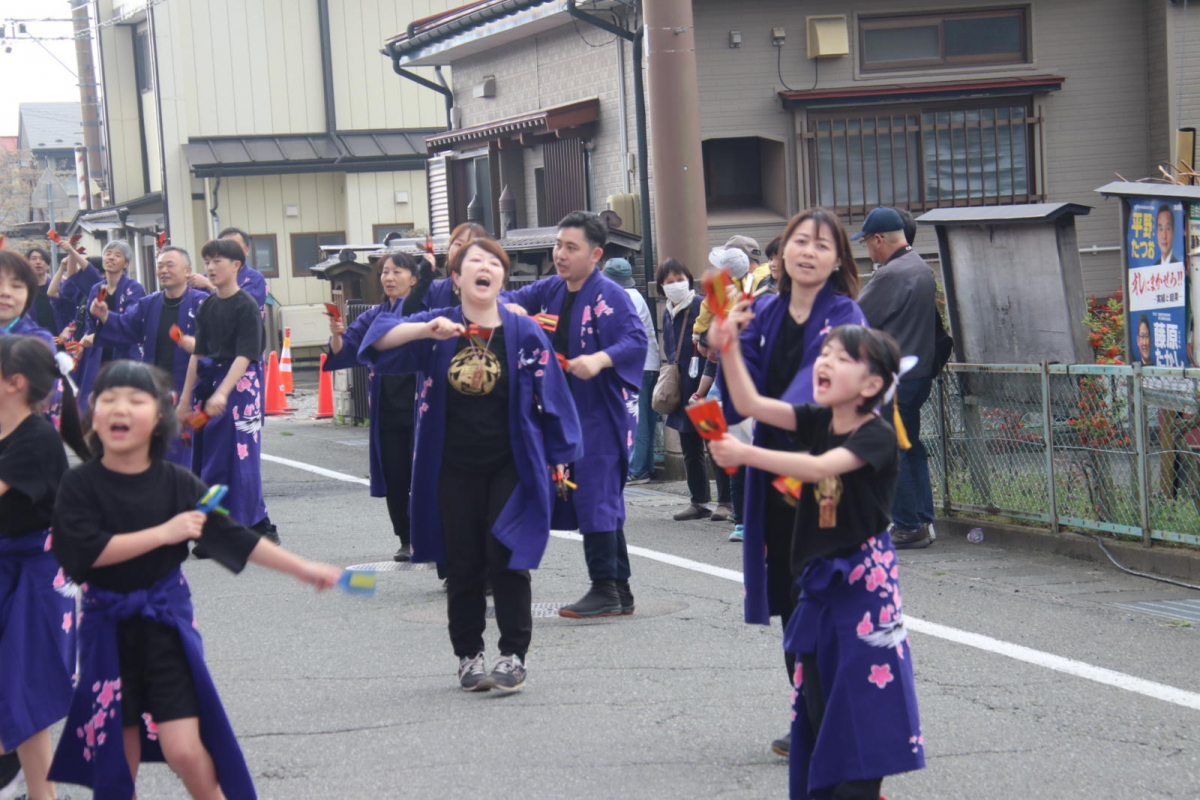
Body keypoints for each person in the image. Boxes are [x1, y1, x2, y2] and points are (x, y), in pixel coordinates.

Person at [48, 359, 341, 800]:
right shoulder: (79, 485)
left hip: (166, 627)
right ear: (92, 411)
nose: (120, 409)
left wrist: (303, 568)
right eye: (108, 399)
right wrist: (164, 534)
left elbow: (233, 536)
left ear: (162, 415)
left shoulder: (178, 483)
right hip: (105, 631)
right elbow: (84, 553)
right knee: (115, 758)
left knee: (184, 750)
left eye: (135, 399)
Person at [709, 321, 924, 800]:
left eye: (841, 357)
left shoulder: (876, 435)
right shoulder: (818, 420)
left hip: (863, 588)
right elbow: (750, 405)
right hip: (817, 584)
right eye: (823, 352)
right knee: (819, 700)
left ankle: (863, 787)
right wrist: (728, 351)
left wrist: (747, 453)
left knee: (865, 698)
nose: (824, 361)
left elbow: (821, 468)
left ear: (871, 385)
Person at [359, 238, 582, 692]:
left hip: (511, 463)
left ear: (502, 278)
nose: (484, 268)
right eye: (472, 263)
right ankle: (468, 656)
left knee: (507, 555)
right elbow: (377, 341)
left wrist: (561, 459)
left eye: (493, 264)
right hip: (450, 464)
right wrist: (425, 330)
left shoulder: (523, 331)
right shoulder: (437, 327)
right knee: (462, 562)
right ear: (456, 279)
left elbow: (553, 397)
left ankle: (513, 654)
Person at [717, 207, 867, 758]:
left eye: (823, 245)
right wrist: (727, 345)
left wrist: (755, 415)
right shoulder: (763, 313)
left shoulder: (846, 315)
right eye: (799, 241)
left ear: (838, 260)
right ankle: (807, 709)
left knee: (822, 592)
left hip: (826, 479)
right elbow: (740, 396)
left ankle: (833, 717)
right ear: (780, 255)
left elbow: (815, 394)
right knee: (788, 594)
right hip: (771, 473)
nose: (809, 252)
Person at [507, 211, 648, 618]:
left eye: (571, 247)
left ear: (596, 254)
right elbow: (510, 300)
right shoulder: (553, 288)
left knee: (595, 495)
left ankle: (604, 587)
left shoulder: (609, 294)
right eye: (558, 245)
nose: (561, 254)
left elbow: (635, 339)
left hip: (600, 410)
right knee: (593, 495)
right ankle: (618, 590)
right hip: (568, 410)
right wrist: (507, 309)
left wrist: (600, 359)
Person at [0, 335, 89, 800]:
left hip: (36, 574)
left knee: (22, 688)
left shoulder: (35, 437)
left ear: (14, 383)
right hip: (8, 567)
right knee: (17, 695)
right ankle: (42, 795)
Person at [325, 251, 422, 562]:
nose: (389, 278)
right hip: (387, 407)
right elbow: (344, 351)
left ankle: (430, 536)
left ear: (415, 278)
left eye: (397, 272)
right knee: (395, 473)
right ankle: (405, 538)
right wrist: (336, 335)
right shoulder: (374, 316)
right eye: (385, 273)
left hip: (423, 406)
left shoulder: (427, 313)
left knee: (425, 473)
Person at [176, 239, 274, 540]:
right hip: (212, 384)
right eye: (208, 261)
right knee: (208, 457)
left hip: (240, 388)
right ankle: (236, 528)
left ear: (236, 266)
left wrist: (223, 393)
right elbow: (198, 353)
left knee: (238, 459)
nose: (211, 267)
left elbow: (246, 355)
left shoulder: (247, 305)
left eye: (218, 260)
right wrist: (184, 399)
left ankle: (251, 526)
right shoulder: (207, 305)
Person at [854, 206, 936, 550]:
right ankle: (921, 519)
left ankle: (907, 525)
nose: (867, 250)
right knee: (911, 446)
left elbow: (858, 320)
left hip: (893, 376)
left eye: (867, 243)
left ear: (878, 239)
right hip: (919, 372)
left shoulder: (890, 274)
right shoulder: (921, 267)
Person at [89, 247, 206, 468]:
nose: (163, 270)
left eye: (170, 265)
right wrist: (104, 314)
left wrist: (197, 345)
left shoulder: (202, 303)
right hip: (155, 387)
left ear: (188, 270)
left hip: (191, 388)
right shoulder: (149, 303)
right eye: (160, 266)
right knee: (154, 444)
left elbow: (215, 344)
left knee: (187, 447)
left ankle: (185, 492)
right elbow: (125, 326)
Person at [657, 259, 717, 521]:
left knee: (715, 445)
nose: (675, 285)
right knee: (690, 447)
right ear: (661, 286)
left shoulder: (700, 305)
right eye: (668, 281)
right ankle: (699, 501)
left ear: (689, 279)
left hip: (705, 384)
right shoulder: (667, 311)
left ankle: (726, 501)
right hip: (683, 387)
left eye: (679, 279)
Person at [72, 241, 147, 415]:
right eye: (108, 253)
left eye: (117, 255)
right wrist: (85, 341)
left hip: (124, 352)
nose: (111, 258)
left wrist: (105, 320)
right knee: (93, 403)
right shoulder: (97, 288)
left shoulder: (133, 288)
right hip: (98, 353)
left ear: (126, 264)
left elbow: (131, 323)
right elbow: (90, 324)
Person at [605, 257, 660, 485]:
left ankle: (637, 470)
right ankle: (643, 468)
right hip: (647, 364)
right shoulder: (635, 296)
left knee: (637, 421)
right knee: (645, 419)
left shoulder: (624, 298)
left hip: (637, 366)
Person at [187, 227, 268, 315]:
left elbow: (241, 307)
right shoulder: (205, 278)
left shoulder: (255, 278)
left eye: (235, 246)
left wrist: (208, 284)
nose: (229, 250)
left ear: (247, 251)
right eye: (207, 262)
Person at [420, 222, 489, 311]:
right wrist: (422, 279)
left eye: (471, 245)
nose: (462, 250)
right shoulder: (434, 289)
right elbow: (408, 316)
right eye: (458, 244)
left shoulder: (492, 291)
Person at [25, 247, 74, 335]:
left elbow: (72, 311)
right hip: (31, 339)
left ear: (48, 265)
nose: (38, 262)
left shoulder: (59, 287)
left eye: (42, 259)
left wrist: (68, 328)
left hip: (60, 338)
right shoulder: (22, 290)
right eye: (34, 259)